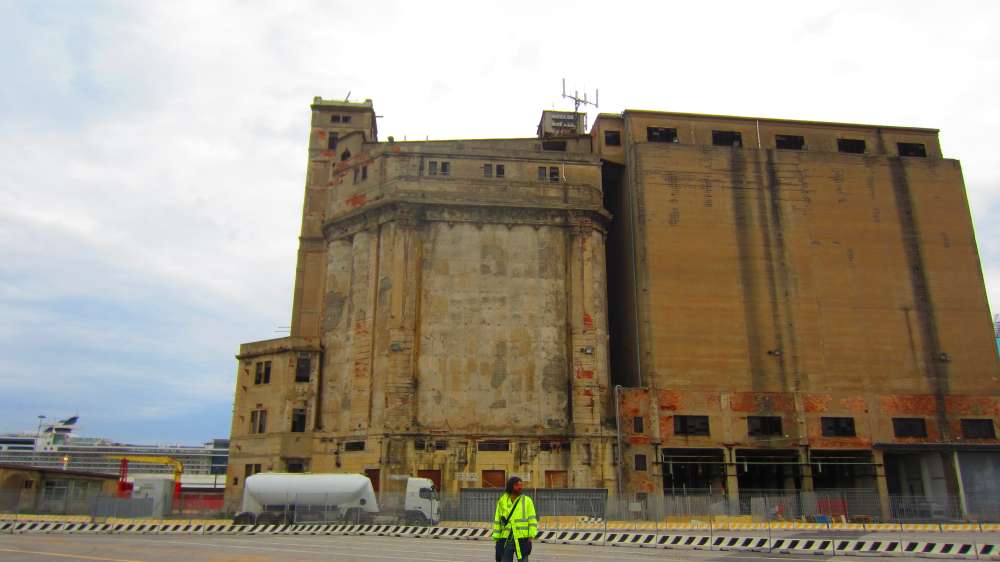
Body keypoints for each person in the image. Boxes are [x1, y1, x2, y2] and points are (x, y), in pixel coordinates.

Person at [492, 476, 537, 562]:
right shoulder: (502, 501)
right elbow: (497, 520)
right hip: (506, 540)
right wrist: (497, 538)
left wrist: (530, 537)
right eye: (517, 485)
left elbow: (532, 520)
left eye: (521, 485)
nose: (520, 487)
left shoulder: (527, 501)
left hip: (522, 539)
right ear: (510, 486)